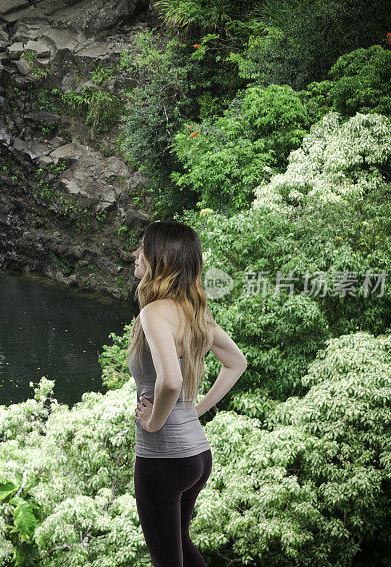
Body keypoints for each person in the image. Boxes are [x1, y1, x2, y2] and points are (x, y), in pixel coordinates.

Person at [129, 219, 247, 567]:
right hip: (197, 456)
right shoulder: (195, 312)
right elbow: (236, 362)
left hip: (162, 458)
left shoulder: (153, 313)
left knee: (166, 560)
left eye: (142, 247)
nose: (135, 253)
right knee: (180, 544)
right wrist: (196, 411)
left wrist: (153, 422)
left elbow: (169, 382)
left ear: (159, 257)